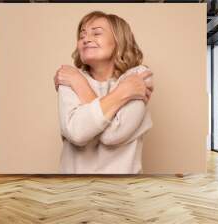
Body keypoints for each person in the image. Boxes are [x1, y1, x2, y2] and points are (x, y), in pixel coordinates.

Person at [53, 11, 154, 174]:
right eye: (82, 35)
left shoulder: (138, 76)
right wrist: (123, 93)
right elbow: (77, 132)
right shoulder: (69, 77)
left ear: (119, 41)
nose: (86, 39)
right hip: (72, 190)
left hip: (123, 192)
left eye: (96, 33)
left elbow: (113, 135)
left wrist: (80, 86)